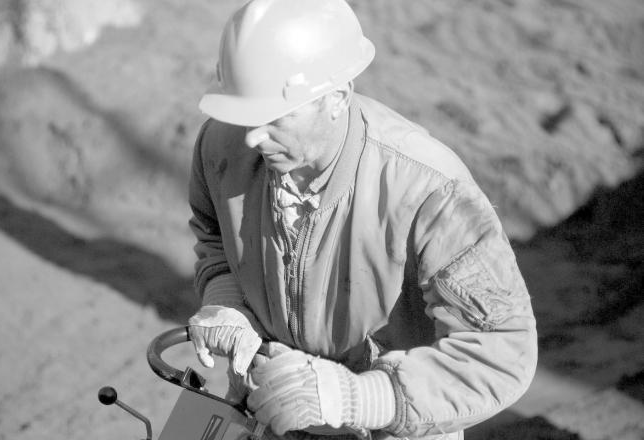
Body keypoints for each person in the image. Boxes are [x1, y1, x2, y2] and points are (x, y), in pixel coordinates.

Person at [186, 0, 538, 439]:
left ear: (338, 97)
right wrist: (227, 303)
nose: (255, 138)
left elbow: (502, 350)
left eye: (275, 118)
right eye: (246, 116)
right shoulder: (221, 146)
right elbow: (214, 237)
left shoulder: (430, 191)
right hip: (268, 411)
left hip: (390, 426)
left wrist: (358, 397)